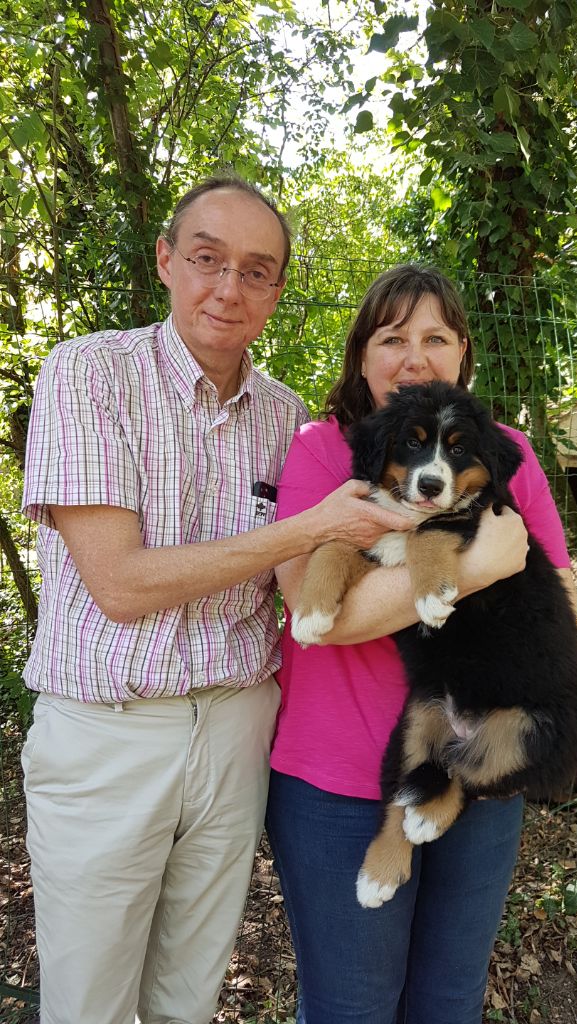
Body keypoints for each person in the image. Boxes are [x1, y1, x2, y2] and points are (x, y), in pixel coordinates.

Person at [20, 175, 412, 1024]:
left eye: (257, 271)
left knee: (188, 999)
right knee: (88, 1006)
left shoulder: (285, 417)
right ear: (167, 260)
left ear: (277, 291)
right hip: (109, 734)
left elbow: (314, 591)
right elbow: (120, 584)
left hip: (238, 730)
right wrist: (307, 528)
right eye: (208, 259)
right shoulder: (90, 374)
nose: (229, 288)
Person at [266, 264, 576, 1024]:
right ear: (361, 355)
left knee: (447, 1002)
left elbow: (557, 593)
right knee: (350, 1008)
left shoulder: (503, 451)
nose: (414, 357)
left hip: (479, 761)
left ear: (463, 351)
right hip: (335, 778)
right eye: (392, 337)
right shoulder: (320, 450)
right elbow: (320, 613)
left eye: (435, 337)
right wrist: (472, 567)